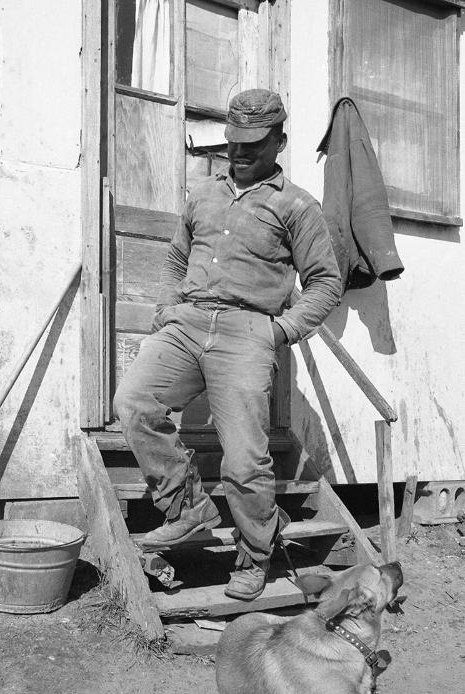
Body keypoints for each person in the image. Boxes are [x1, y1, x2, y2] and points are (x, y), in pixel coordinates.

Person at [114, 89, 341, 601]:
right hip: (187, 323)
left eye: (253, 144)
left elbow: (326, 282)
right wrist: (168, 306)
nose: (239, 152)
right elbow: (176, 258)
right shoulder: (203, 195)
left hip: (247, 332)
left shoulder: (297, 206)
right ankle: (187, 508)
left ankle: (255, 553)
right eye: (234, 141)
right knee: (133, 403)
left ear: (279, 141)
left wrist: (279, 331)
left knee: (244, 459)